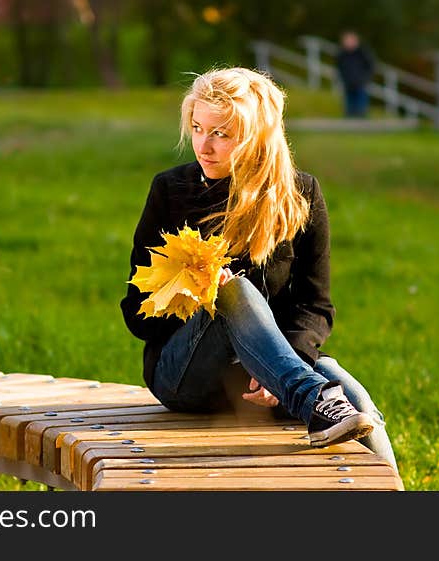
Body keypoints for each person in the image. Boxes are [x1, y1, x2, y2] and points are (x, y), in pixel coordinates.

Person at [120, 67, 398, 469]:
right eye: (198, 127)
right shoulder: (170, 191)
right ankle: (310, 397)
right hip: (185, 376)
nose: (204, 145)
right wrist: (190, 294)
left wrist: (282, 372)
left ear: (256, 138)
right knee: (234, 291)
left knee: (351, 396)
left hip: (265, 382)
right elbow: (137, 313)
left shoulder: (300, 194)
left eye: (221, 133)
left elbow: (314, 306)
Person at [336, 30, 374, 117]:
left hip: (361, 82)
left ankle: (361, 119)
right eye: (346, 40)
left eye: (350, 40)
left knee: (361, 105)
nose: (348, 42)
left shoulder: (363, 52)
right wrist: (342, 78)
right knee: (349, 105)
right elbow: (339, 67)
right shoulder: (342, 54)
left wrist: (366, 78)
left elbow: (371, 65)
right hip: (347, 82)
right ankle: (350, 119)